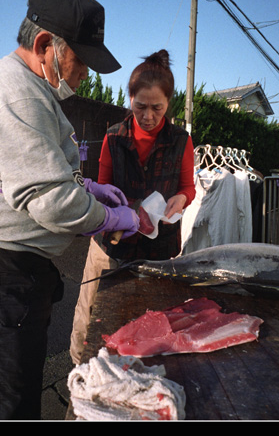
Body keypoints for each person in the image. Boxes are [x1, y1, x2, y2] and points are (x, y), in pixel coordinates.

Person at [0, 0, 139, 420]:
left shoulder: (35, 91)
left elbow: (45, 176)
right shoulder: (18, 91)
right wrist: (109, 216)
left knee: (16, 397)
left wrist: (88, 189)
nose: (85, 74)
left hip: (7, 275)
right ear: (46, 44)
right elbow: (48, 199)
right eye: (81, 61)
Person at [70, 49, 196, 365]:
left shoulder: (181, 140)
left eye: (158, 108)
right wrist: (120, 212)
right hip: (110, 245)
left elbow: (187, 187)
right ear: (130, 99)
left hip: (159, 247)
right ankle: (80, 372)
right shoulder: (114, 137)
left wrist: (181, 199)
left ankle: (140, 381)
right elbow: (101, 189)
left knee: (149, 323)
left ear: (170, 103)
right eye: (140, 106)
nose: (148, 116)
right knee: (91, 315)